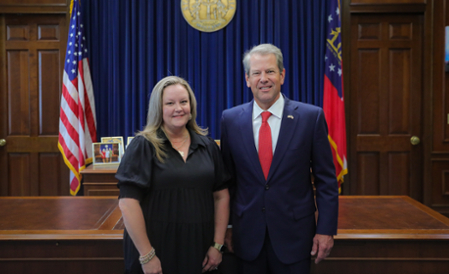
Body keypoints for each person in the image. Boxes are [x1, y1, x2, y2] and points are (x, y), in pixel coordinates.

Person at [220, 44, 338, 273]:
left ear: (282, 75)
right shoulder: (230, 120)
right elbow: (228, 181)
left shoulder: (310, 118)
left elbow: (326, 181)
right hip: (247, 238)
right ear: (247, 79)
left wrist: (326, 229)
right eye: (256, 73)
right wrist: (228, 227)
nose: (263, 79)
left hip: (295, 238)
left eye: (270, 71)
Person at [116, 76, 231, 274]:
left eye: (183, 102)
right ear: (158, 109)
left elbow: (221, 196)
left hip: (200, 250)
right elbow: (128, 203)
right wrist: (147, 255)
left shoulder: (208, 146)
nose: (178, 108)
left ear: (191, 106)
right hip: (156, 251)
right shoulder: (143, 146)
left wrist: (217, 245)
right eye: (170, 103)